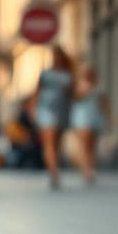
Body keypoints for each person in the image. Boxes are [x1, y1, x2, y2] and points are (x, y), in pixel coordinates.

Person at [32, 44, 75, 189]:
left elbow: (73, 94)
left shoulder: (68, 74)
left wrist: (69, 89)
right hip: (46, 108)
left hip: (62, 110)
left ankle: (54, 167)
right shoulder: (45, 74)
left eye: (57, 55)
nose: (55, 57)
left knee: (56, 143)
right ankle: (53, 172)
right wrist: (33, 109)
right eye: (53, 55)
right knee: (49, 142)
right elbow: (37, 91)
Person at [70, 64, 111, 185]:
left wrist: (109, 117)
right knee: (84, 145)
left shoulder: (99, 87)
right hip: (82, 118)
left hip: (95, 117)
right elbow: (75, 99)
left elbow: (104, 103)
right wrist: (84, 91)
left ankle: (91, 167)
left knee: (92, 146)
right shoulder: (79, 86)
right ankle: (86, 170)